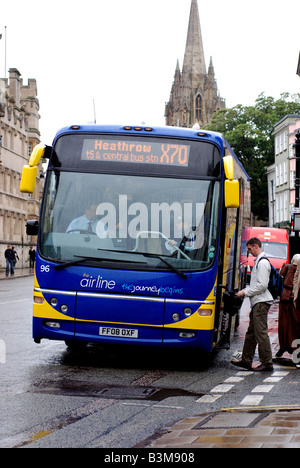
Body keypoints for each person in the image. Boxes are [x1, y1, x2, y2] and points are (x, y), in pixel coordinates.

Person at [232, 237, 274, 372]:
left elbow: (261, 285)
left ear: (256, 246)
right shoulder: (259, 262)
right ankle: (246, 360)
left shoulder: (262, 263)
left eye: (250, 249)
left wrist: (245, 292)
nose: (249, 252)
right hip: (258, 302)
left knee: (260, 333)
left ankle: (267, 362)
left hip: (261, 302)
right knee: (251, 333)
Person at [275, 255, 300, 358]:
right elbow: (279, 280)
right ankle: (283, 347)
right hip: (285, 301)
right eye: (294, 265)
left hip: (295, 303)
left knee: (294, 327)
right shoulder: (287, 268)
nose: (295, 268)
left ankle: (294, 349)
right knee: (283, 325)